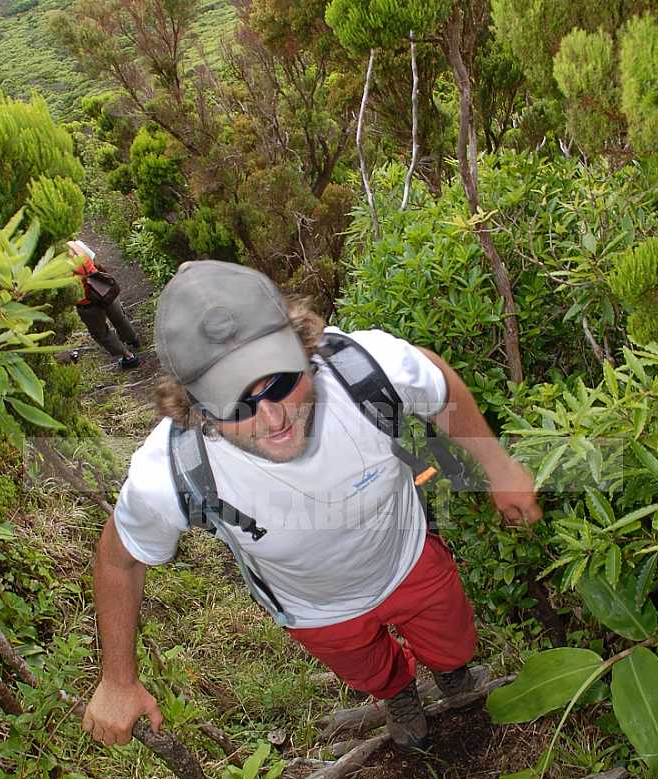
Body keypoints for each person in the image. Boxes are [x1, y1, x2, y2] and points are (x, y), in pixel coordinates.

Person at [82, 261, 542, 751]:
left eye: (280, 380)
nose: (273, 416)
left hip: (409, 557)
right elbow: (119, 560)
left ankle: (453, 676)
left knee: (453, 641)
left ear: (305, 347)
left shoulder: (363, 369)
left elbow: (436, 381)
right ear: (191, 407)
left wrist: (499, 468)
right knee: (372, 672)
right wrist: (117, 680)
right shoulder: (171, 472)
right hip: (317, 611)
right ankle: (398, 694)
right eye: (235, 403)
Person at [67, 241, 140, 370]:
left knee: (101, 333)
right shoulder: (75, 244)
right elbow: (94, 260)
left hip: (86, 301)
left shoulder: (53, 263)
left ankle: (128, 357)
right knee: (119, 317)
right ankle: (133, 340)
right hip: (103, 288)